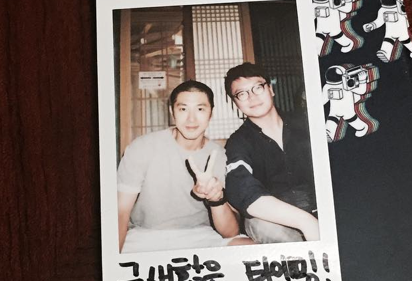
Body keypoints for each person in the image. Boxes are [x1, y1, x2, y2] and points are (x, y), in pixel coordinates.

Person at [117, 79, 249, 253]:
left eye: (200, 109)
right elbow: (120, 212)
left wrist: (216, 198)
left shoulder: (220, 156)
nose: (191, 119)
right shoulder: (142, 147)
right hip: (144, 235)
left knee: (248, 248)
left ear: (211, 113)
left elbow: (231, 233)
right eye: (183, 109)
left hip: (200, 237)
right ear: (172, 112)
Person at [224, 63, 319, 243]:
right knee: (259, 225)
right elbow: (241, 189)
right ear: (235, 103)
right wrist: (305, 221)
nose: (252, 97)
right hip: (278, 221)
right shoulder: (238, 142)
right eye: (242, 94)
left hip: (323, 210)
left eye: (258, 87)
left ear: (270, 89)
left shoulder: (306, 123)